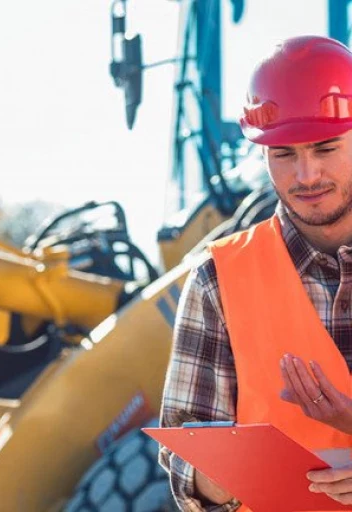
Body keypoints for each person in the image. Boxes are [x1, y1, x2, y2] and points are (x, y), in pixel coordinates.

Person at [159, 34, 352, 511]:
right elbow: (186, 466)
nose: (306, 176)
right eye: (284, 154)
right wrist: (227, 474)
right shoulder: (218, 280)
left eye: (325, 148)